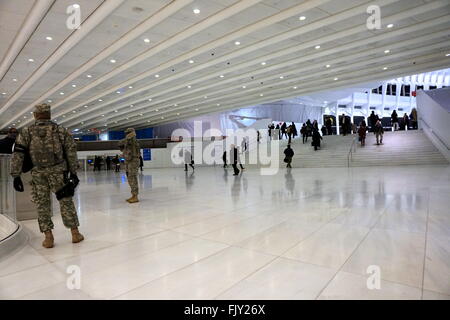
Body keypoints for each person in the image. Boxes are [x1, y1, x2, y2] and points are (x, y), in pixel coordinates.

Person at [10, 103, 84, 248]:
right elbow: (71, 151)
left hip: (38, 173)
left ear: (35, 115)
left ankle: (48, 237)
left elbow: (18, 153)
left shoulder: (27, 131)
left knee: (42, 203)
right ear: (49, 114)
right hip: (58, 171)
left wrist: (16, 175)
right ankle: (75, 233)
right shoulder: (60, 130)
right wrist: (73, 172)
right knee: (65, 200)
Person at [118, 128, 141, 203]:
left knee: (132, 177)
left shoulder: (133, 140)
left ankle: (135, 196)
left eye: (128, 133)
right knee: (129, 178)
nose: (127, 134)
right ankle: (133, 195)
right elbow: (119, 143)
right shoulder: (127, 140)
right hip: (129, 161)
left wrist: (131, 135)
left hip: (133, 161)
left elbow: (124, 142)